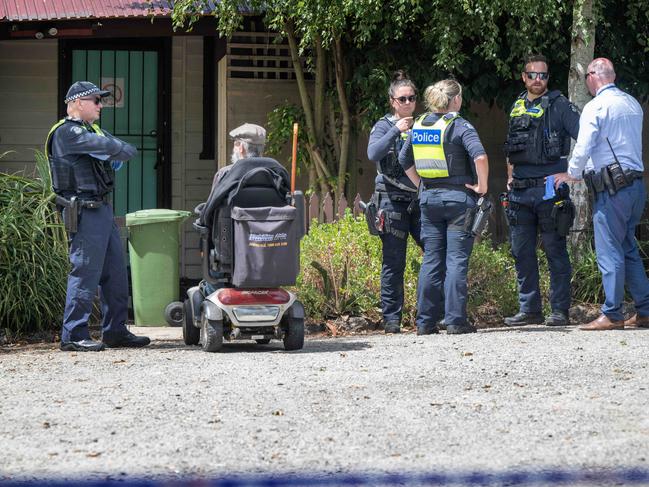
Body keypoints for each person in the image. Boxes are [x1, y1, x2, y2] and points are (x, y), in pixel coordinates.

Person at [46, 81, 150, 351]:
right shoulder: (67, 133)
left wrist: (108, 147)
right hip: (83, 211)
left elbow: (127, 150)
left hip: (102, 209)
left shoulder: (92, 130)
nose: (101, 105)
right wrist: (109, 147)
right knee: (85, 272)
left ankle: (115, 331)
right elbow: (118, 149)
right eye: (96, 100)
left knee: (115, 273)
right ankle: (74, 335)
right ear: (78, 102)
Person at [554, 58, 649, 331]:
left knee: (609, 252)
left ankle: (612, 313)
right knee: (628, 247)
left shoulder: (595, 106)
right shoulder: (632, 103)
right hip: (635, 187)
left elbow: (583, 146)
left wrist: (572, 173)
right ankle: (644, 309)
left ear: (593, 76)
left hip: (612, 189)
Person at [399, 79, 489, 335]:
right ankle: (455, 321)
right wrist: (482, 186)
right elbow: (480, 156)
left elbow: (404, 160)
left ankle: (425, 322)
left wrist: (421, 185)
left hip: (429, 200)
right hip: (459, 200)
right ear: (456, 100)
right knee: (456, 260)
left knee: (432, 259)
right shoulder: (459, 125)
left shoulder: (419, 124)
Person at [503, 54, 580, 327]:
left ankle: (559, 310)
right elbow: (511, 149)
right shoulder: (517, 105)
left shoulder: (561, 107)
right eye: (532, 75)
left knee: (554, 250)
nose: (538, 80)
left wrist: (572, 173)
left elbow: (585, 137)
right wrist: (510, 179)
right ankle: (530, 309)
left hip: (549, 190)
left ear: (548, 78)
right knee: (521, 251)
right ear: (524, 77)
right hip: (520, 192)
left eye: (543, 75)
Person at [367, 71, 422, 334]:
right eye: (402, 99)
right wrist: (395, 130)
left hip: (420, 200)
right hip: (391, 201)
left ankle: (430, 315)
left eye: (412, 98)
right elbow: (373, 153)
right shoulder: (383, 125)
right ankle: (392, 319)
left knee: (435, 253)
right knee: (393, 261)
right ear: (392, 101)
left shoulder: (424, 124)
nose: (408, 103)